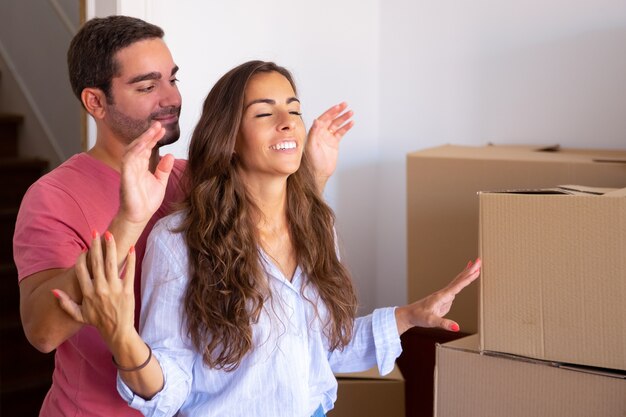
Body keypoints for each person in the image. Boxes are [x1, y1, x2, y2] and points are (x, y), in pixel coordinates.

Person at [55, 60, 482, 417]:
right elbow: (171, 391)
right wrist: (121, 338)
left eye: (293, 110)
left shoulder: (317, 225)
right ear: (230, 139)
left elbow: (322, 349)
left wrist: (410, 316)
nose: (287, 123)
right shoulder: (179, 241)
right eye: (264, 113)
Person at [13, 16, 353, 417]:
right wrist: (129, 220)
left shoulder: (198, 179)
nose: (170, 98)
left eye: (172, 80)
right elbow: (42, 331)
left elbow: (279, 253)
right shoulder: (53, 197)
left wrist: (310, 175)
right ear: (95, 102)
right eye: (147, 85)